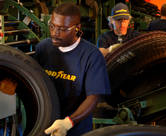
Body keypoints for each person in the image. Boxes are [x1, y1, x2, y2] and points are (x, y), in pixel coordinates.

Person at [34, 3, 111, 136]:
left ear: (77, 28)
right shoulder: (43, 48)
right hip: (44, 125)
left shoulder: (91, 55)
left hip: (75, 128)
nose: (55, 33)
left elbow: (93, 97)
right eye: (52, 26)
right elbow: (33, 78)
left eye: (62, 29)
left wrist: (68, 123)